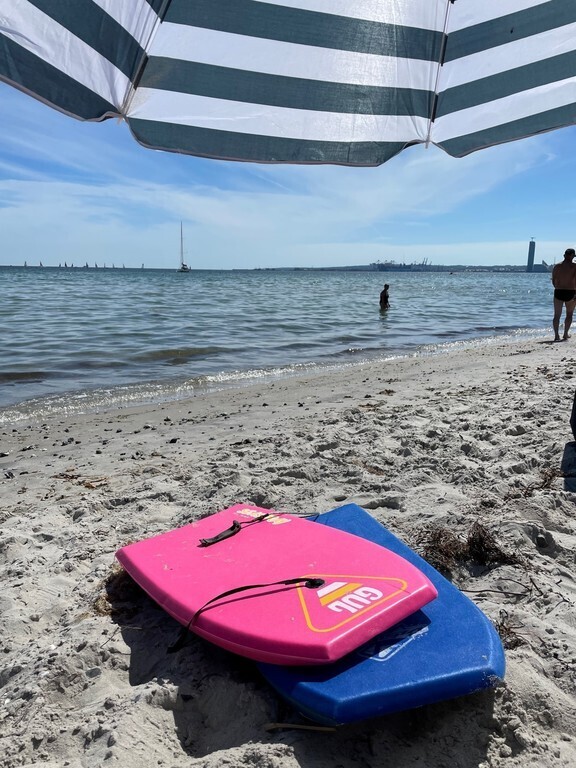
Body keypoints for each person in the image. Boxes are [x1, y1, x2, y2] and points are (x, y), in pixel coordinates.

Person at [552, 248, 576, 341]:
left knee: (557, 315)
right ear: (572, 256)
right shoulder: (574, 266)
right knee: (569, 314)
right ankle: (565, 334)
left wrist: (558, 287)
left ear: (564, 255)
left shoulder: (557, 266)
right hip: (571, 291)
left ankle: (556, 335)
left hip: (558, 291)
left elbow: (554, 281)